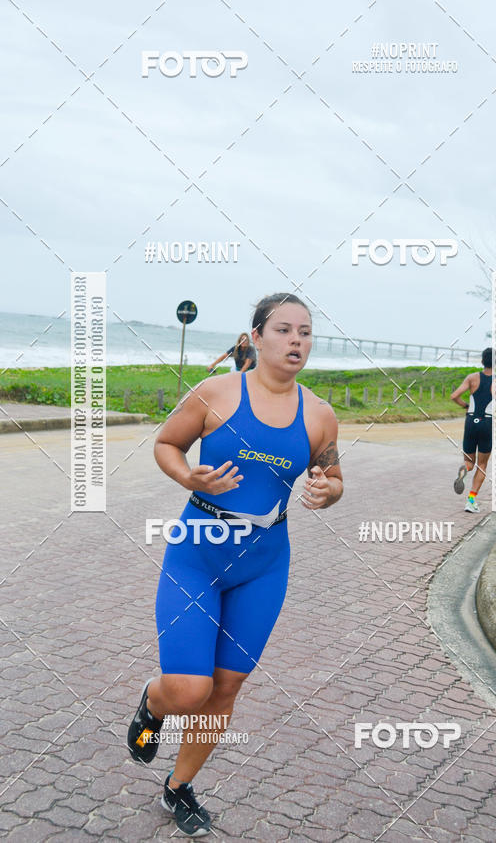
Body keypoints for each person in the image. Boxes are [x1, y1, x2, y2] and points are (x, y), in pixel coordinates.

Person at [127, 293, 343, 836]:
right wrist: (186, 476)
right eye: (286, 329)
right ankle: (155, 702)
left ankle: (178, 788)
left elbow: (333, 476)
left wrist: (327, 490)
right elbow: (167, 444)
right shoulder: (215, 393)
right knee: (189, 689)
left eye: (307, 331)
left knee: (225, 687)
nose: (298, 340)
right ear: (257, 336)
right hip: (197, 551)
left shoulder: (320, 415)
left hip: (264, 565)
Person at [450, 347, 496, 513]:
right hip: (487, 423)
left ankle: (465, 469)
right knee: (482, 465)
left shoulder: (472, 378)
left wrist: (466, 406)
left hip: (470, 421)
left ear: (482, 361)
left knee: (470, 461)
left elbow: (454, 396)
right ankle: (471, 500)